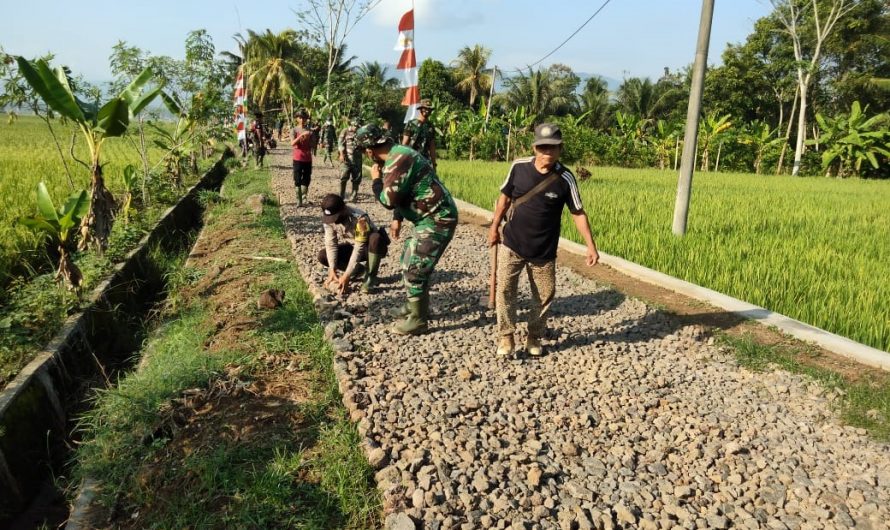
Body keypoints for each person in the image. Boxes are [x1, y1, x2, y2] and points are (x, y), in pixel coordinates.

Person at [487, 123, 600, 358]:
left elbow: (577, 212)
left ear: (560, 150)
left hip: (544, 249)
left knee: (544, 294)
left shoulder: (565, 178)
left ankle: (534, 336)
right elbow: (504, 198)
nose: (547, 152)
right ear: (535, 147)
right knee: (506, 290)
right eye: (543, 147)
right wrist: (494, 226)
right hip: (513, 242)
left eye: (552, 147)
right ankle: (506, 336)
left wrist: (591, 246)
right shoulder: (518, 167)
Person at [356, 124, 458, 335]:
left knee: (415, 268)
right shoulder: (399, 154)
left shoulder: (397, 160)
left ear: (369, 150)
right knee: (408, 257)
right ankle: (414, 306)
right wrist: (398, 220)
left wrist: (375, 180)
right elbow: (402, 195)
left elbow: (388, 199)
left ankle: (418, 320)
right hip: (427, 219)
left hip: (438, 219)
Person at [318, 193, 390, 295]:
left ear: (343, 209)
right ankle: (360, 271)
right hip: (353, 245)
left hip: (370, 248)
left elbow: (359, 248)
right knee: (322, 255)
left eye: (336, 217)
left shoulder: (360, 219)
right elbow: (331, 244)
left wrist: (346, 275)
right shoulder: (329, 217)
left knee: (375, 238)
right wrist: (332, 269)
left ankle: (370, 277)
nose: (334, 221)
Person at [401, 99, 437, 167]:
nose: (427, 110)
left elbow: (432, 147)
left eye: (429, 109)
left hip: (425, 160)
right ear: (420, 109)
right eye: (425, 108)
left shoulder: (430, 127)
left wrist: (434, 164)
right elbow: (404, 143)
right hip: (411, 159)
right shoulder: (411, 124)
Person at [291, 109, 313, 206]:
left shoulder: (310, 131)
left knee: (307, 178)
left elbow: (313, 144)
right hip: (298, 158)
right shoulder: (294, 130)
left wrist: (310, 138)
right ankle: (298, 200)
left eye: (304, 118)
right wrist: (301, 136)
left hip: (307, 158)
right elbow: (292, 143)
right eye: (300, 118)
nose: (302, 120)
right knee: (297, 178)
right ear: (297, 119)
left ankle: (304, 198)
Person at [338, 118, 363, 201]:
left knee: (357, 178)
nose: (356, 128)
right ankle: (341, 196)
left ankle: (353, 196)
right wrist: (341, 154)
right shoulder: (345, 131)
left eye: (358, 127)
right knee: (343, 177)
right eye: (355, 126)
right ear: (352, 124)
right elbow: (340, 144)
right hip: (347, 159)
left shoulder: (360, 133)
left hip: (357, 159)